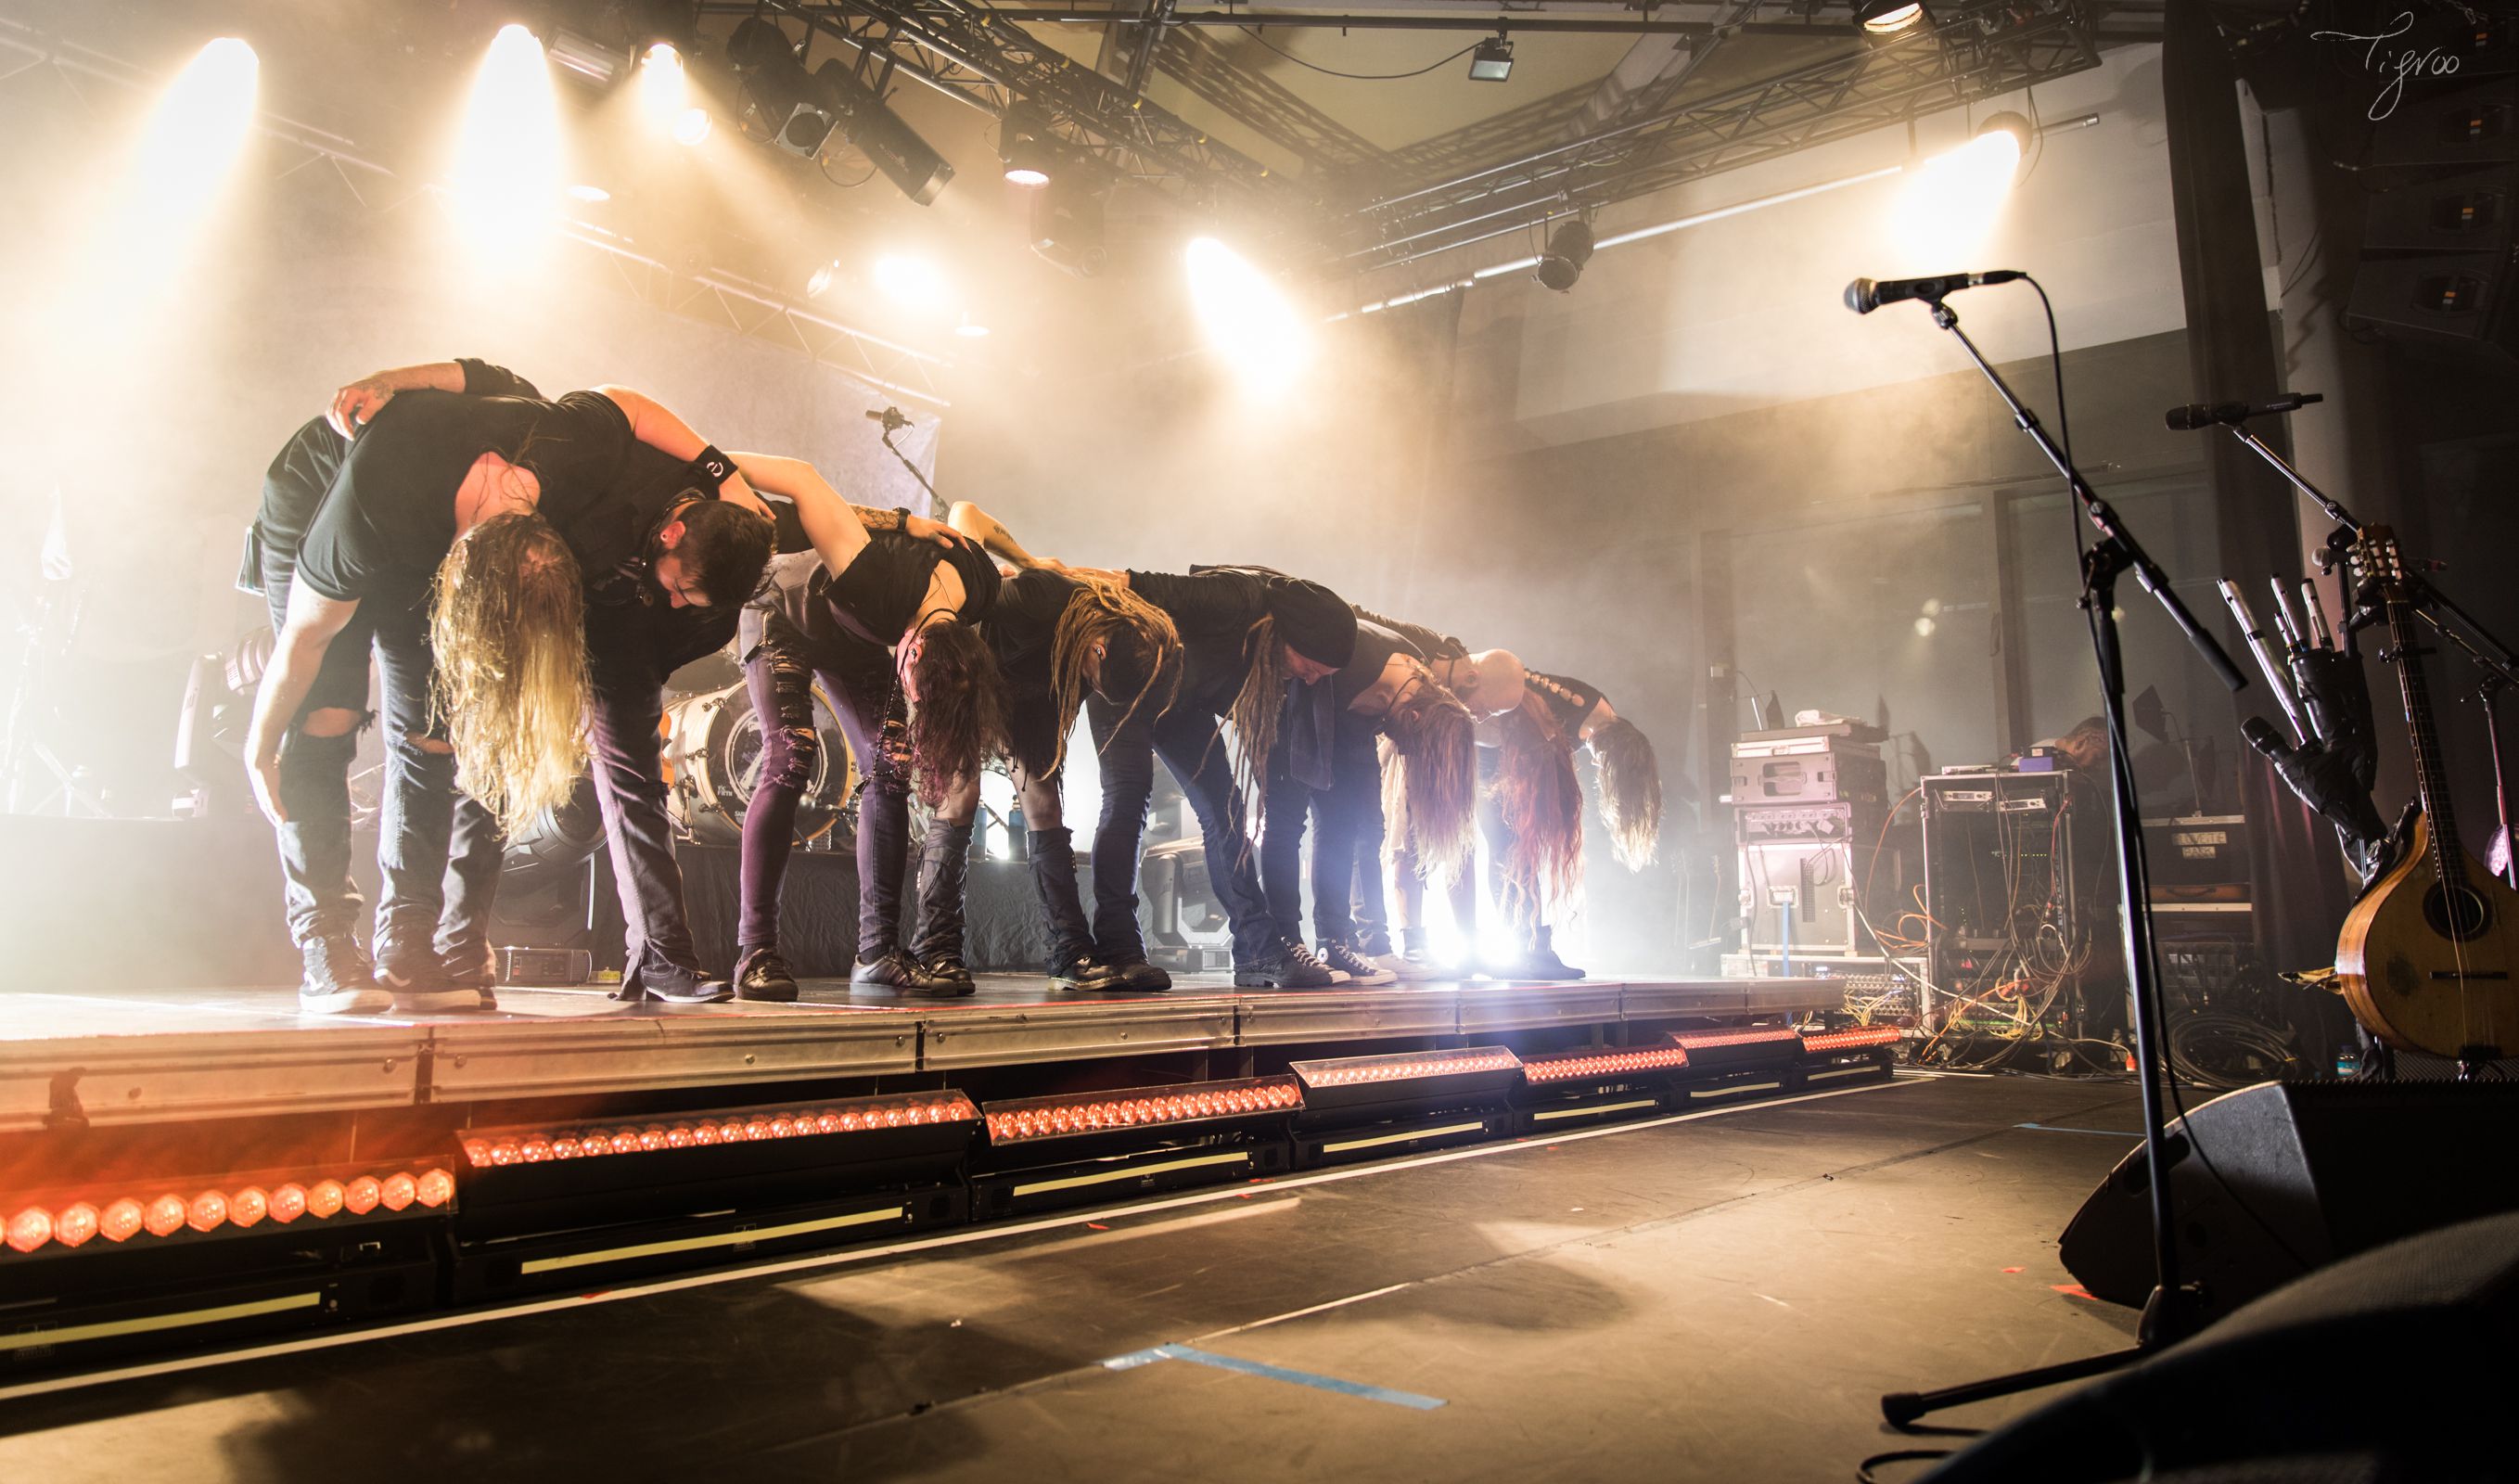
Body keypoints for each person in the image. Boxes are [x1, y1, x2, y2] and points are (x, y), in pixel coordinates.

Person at [1001, 544, 1360, 989]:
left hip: (1181, 703)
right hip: (1129, 677)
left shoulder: (1272, 665)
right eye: (1312, 667)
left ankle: (1257, 953)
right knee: (1129, 797)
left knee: (1223, 807)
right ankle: (1121, 946)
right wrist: (1043, 571)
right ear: (1295, 637)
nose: (1310, 679)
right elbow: (1124, 581)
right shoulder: (1237, 598)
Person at [729, 457, 1005, 1000]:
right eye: (915, 690)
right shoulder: (875, 583)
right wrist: (706, 462)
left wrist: (1026, 561)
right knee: (793, 755)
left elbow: (969, 518)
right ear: (914, 650)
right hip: (785, 611)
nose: (912, 700)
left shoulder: (982, 585)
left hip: (855, 636)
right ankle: (755, 952)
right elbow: (804, 481)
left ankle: (877, 951)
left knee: (892, 765)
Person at [943, 503, 1184, 991]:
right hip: (968, 678)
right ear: (1097, 649)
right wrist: (1026, 560)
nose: (1092, 690)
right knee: (959, 798)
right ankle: (937, 949)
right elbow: (964, 513)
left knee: (1045, 807)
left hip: (1026, 694)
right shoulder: (1042, 595)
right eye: (1096, 680)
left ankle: (1069, 953)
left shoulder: (1108, 636)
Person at [1260, 617, 1478, 985]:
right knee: (1286, 824)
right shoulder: (1357, 656)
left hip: (1345, 726)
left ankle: (1335, 942)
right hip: (1291, 713)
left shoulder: (1411, 686)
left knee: (1341, 830)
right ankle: (1286, 940)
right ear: (1413, 715)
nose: (1403, 751)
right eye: (1410, 744)